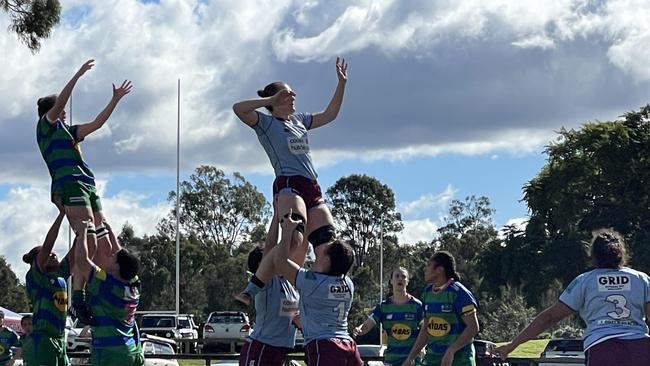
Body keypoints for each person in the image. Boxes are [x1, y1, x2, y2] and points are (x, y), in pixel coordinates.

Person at [232, 58, 348, 303]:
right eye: (287, 92)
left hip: (312, 187)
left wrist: (341, 83)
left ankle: (315, 297)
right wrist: (268, 102)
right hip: (289, 184)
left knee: (327, 247)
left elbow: (330, 114)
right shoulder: (266, 123)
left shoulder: (300, 121)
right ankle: (251, 290)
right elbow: (238, 108)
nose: (294, 95)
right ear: (276, 100)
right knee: (293, 238)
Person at [496, 230, 650, 366]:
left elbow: (549, 318)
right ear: (621, 253)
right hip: (639, 348)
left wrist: (513, 344)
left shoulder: (584, 281)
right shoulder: (641, 279)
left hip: (602, 346)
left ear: (594, 255)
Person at [36, 58, 132, 259]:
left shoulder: (69, 132)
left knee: (104, 243)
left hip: (87, 183)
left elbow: (97, 124)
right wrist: (78, 75)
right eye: (59, 108)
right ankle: (72, 282)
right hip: (69, 183)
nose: (64, 111)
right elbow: (61, 101)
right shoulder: (46, 127)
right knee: (87, 235)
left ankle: (98, 281)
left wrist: (114, 100)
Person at [271, 210, 361, 366]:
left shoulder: (312, 282)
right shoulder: (348, 283)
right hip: (349, 345)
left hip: (325, 346)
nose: (316, 256)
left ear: (328, 261)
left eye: (321, 254)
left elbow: (279, 262)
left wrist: (286, 231)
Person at [72, 220, 143, 366]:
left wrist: (82, 233)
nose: (110, 255)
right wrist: (109, 231)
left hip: (110, 353)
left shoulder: (107, 286)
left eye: (112, 257)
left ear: (117, 266)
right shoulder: (133, 285)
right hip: (132, 350)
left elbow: (81, 260)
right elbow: (123, 257)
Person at [239, 212, 300, 366]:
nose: (276, 259)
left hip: (281, 350)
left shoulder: (289, 284)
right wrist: (277, 215)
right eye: (269, 260)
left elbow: (297, 245)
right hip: (261, 348)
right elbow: (271, 246)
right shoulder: (266, 282)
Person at [402, 252, 479, 366]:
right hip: (433, 359)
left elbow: (473, 327)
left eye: (428, 265)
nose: (425, 269)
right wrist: (411, 357)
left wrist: (451, 350)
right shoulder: (427, 292)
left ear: (440, 269)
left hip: (459, 360)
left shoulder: (459, 293)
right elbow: (426, 329)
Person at [22, 209, 72, 366]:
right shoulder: (35, 277)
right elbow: (49, 243)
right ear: (36, 263)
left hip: (59, 339)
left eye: (54, 253)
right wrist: (62, 213)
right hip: (42, 340)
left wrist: (84, 229)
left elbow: (77, 252)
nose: (53, 254)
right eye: (47, 254)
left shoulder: (59, 276)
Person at [353, 267, 424, 366]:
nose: (400, 279)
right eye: (397, 276)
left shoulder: (417, 305)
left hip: (412, 361)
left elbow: (425, 331)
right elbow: (368, 324)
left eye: (403, 277)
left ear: (407, 281)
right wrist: (359, 329)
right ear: (391, 281)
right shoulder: (383, 306)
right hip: (392, 361)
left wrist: (417, 353)